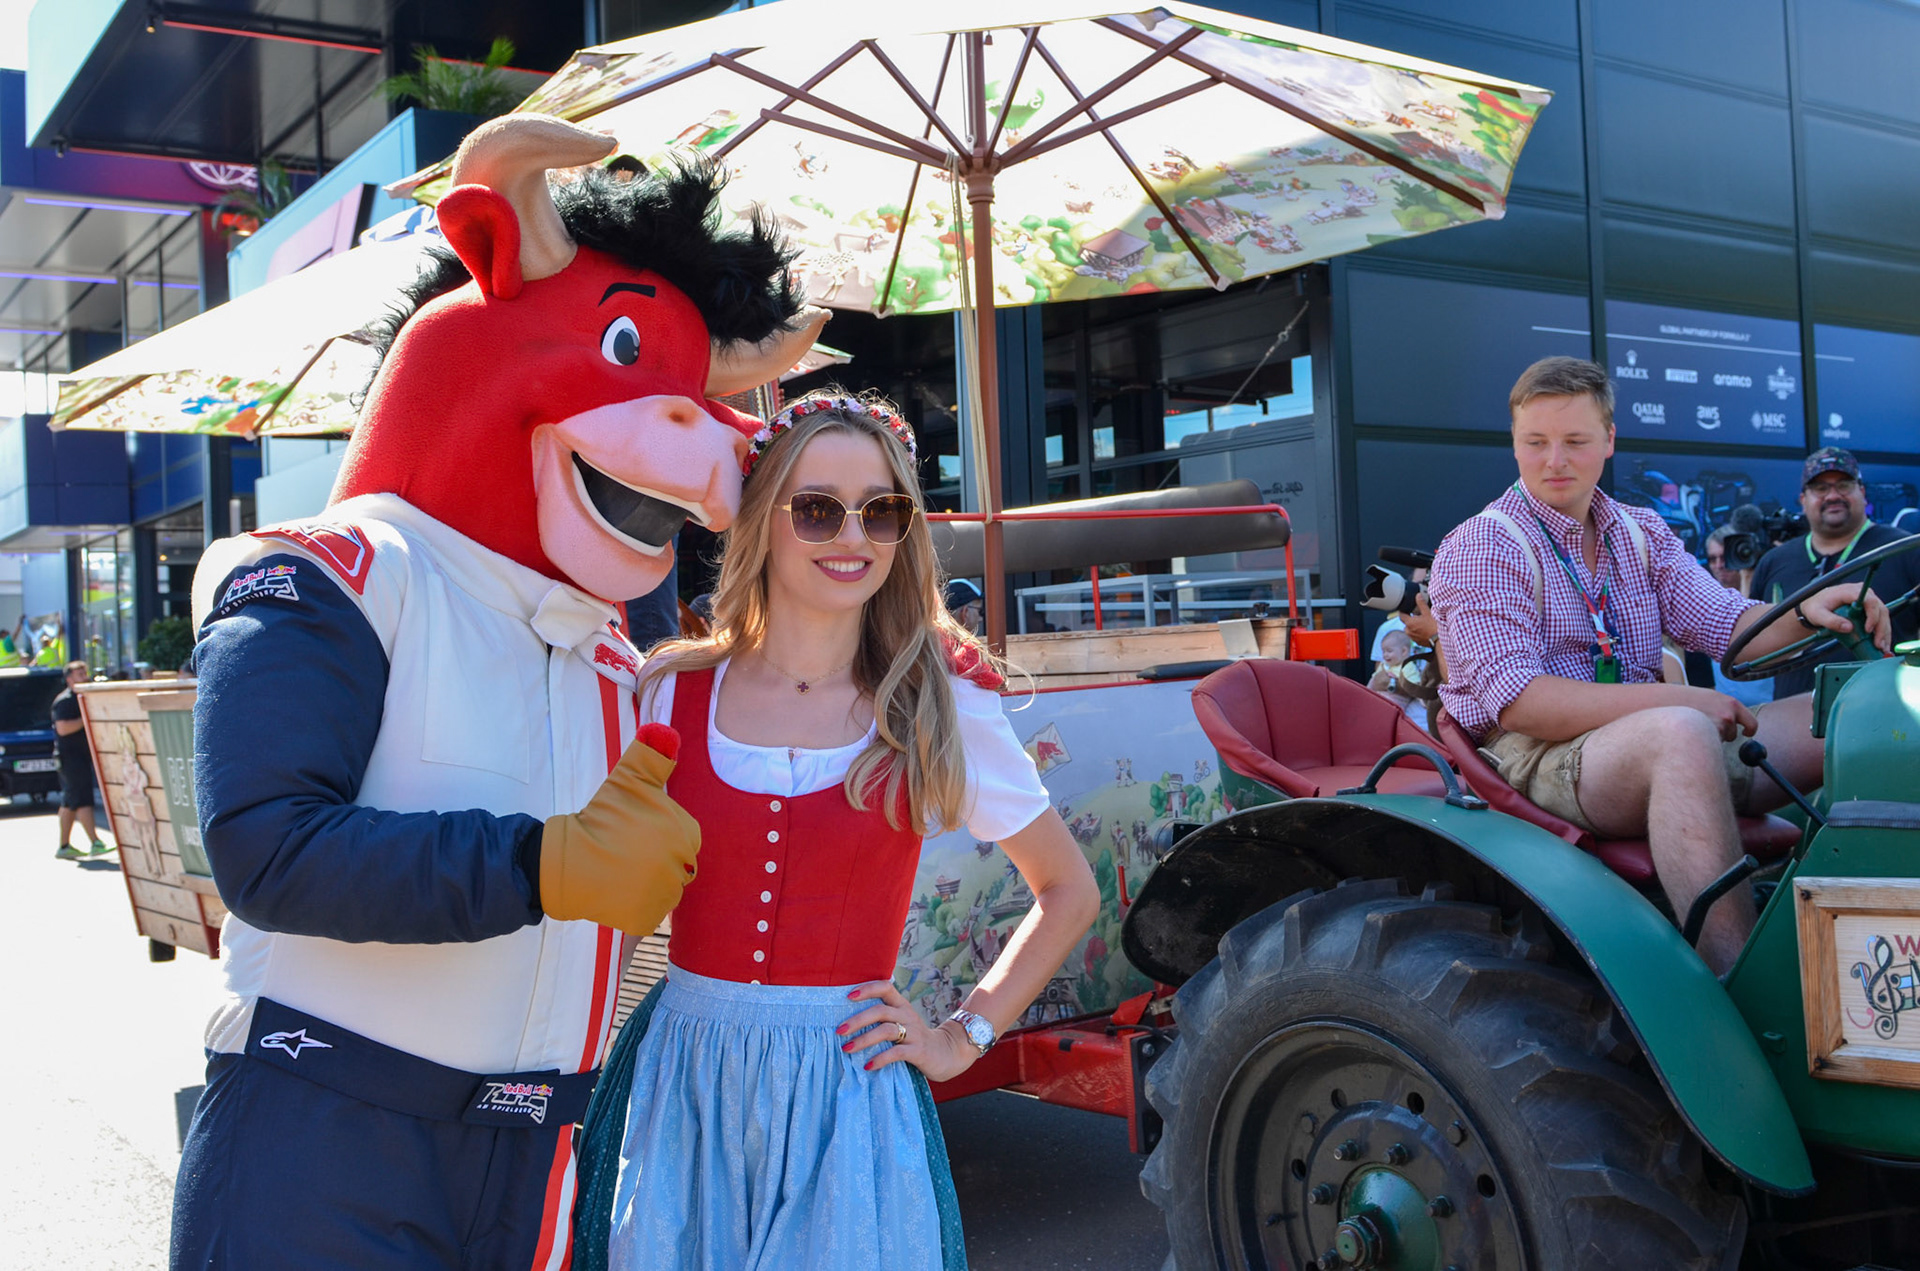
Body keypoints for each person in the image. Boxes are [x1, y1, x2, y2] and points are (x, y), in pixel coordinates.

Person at [579, 392, 1099, 1270]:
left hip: (845, 1088)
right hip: (682, 1077)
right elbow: (611, 901)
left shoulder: (937, 701)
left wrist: (960, 1035)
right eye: (818, 509)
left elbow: (1067, 891)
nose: (851, 536)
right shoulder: (668, 690)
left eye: (882, 511)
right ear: (763, 521)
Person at [1430, 358, 1888, 974]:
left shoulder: (1639, 530)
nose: (1554, 461)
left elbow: (1725, 622)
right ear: (1515, 443)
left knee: (1865, 708)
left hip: (1641, 737)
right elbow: (1522, 702)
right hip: (1533, 752)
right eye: (1536, 442)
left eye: (1575, 441)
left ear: (1610, 440)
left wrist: (1811, 608)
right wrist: (1679, 703)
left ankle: (1873, 936)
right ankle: (1738, 984)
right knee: (1680, 734)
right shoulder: (1483, 544)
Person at [1746, 447, 1920, 699]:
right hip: (1791, 720)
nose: (1833, 495)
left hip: (1884, 716)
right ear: (1803, 499)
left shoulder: (1904, 549)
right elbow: (1756, 651)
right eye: (1820, 488)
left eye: (1844, 485)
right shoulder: (1774, 561)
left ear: (1862, 491)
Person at [50, 660, 109, 860]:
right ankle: (95, 842)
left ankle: (64, 846)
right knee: (83, 799)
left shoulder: (84, 697)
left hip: (81, 757)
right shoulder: (65, 701)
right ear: (69, 680)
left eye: (85, 672)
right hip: (70, 758)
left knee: (69, 802)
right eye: (79, 674)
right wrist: (87, 717)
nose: (85, 676)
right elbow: (63, 728)